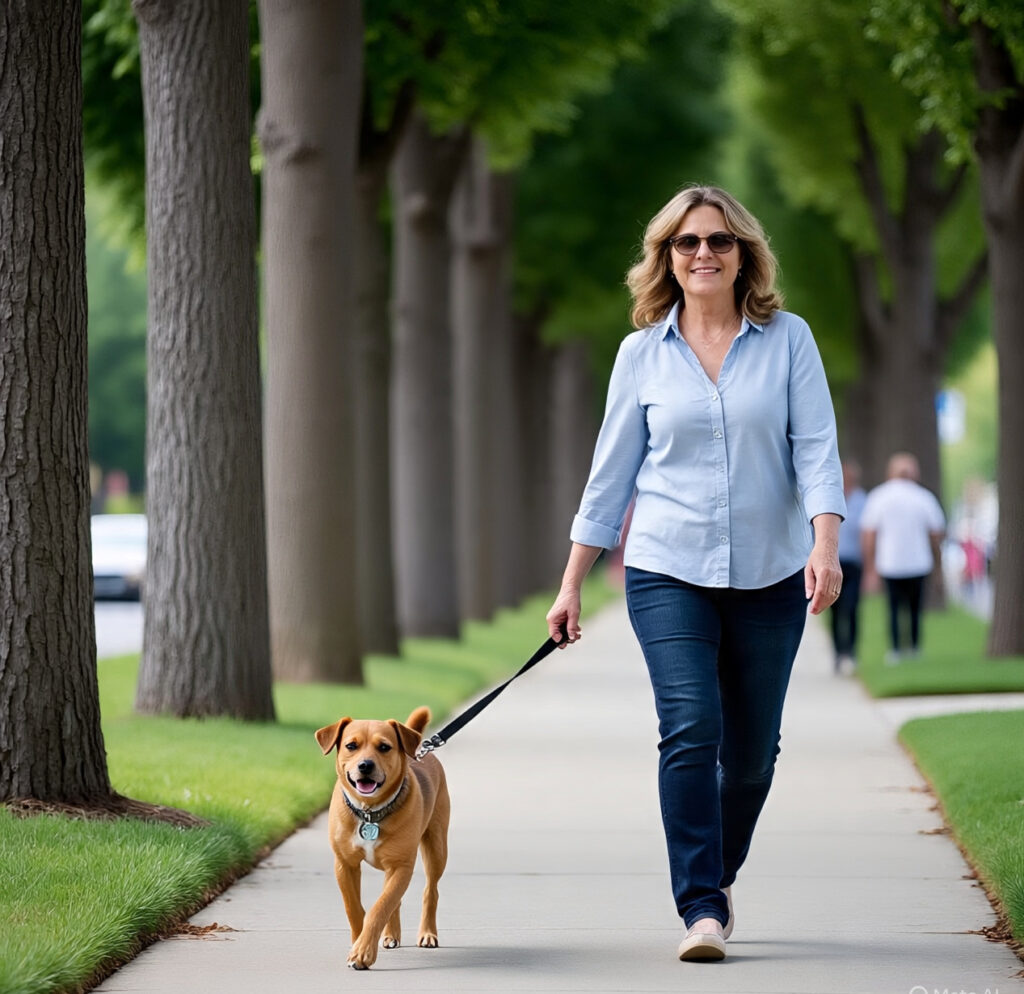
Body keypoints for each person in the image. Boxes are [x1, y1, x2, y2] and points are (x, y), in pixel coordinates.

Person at [545, 184, 845, 963]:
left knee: (751, 755)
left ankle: (715, 870)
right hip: (666, 570)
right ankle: (701, 907)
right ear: (666, 259)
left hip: (772, 573)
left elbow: (815, 449)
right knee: (691, 730)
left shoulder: (789, 341)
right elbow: (611, 475)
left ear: (743, 252)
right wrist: (573, 581)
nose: (703, 253)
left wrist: (824, 544)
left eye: (718, 240)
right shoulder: (640, 354)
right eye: (687, 243)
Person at [860, 453, 945, 662]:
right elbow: (937, 533)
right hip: (918, 562)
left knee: (893, 608)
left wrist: (870, 566)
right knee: (915, 609)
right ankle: (915, 648)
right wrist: (938, 564)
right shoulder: (924, 497)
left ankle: (896, 649)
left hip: (890, 563)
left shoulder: (879, 496)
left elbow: (869, 534)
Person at [831, 459, 867, 673]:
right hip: (833, 563)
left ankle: (851, 651)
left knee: (852, 607)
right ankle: (837, 651)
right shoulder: (830, 498)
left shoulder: (862, 500)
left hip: (854, 564)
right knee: (835, 610)